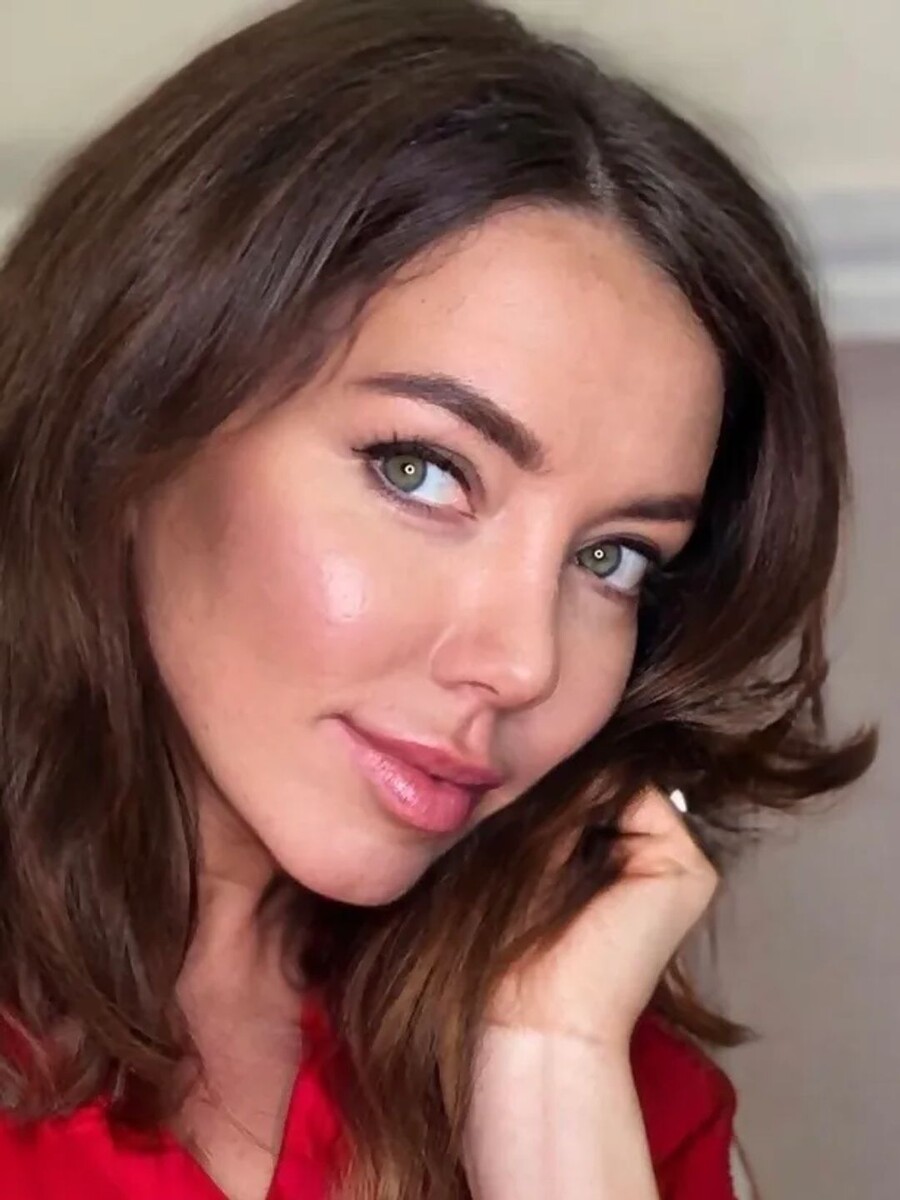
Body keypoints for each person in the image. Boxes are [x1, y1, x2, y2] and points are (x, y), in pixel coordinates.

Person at [0, 1, 875, 1197]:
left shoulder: (595, 1063)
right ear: (132, 411)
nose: (524, 666)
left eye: (613, 559)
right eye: (421, 472)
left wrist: (554, 1084)